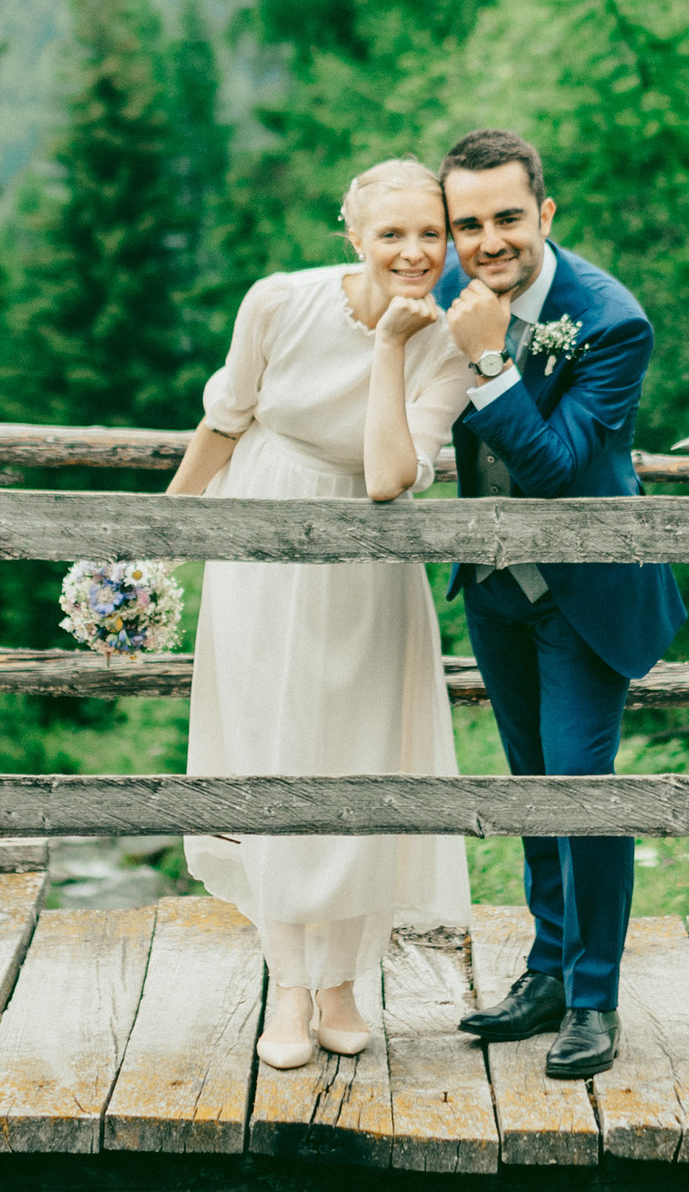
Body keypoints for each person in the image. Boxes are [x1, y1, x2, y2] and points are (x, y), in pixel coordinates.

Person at [169, 160, 471, 1070]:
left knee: (362, 762)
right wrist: (153, 536)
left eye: (431, 235)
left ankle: (346, 982)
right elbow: (224, 424)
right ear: (355, 237)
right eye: (393, 235)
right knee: (276, 756)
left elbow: (388, 479)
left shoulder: (450, 342)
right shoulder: (277, 302)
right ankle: (290, 990)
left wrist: (389, 347)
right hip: (263, 542)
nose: (414, 253)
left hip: (369, 564)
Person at [432, 128, 685, 1082]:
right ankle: (542, 972)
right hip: (496, 588)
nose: (489, 240)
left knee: (584, 792)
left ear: (544, 212)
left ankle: (592, 997)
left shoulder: (610, 321)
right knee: (532, 788)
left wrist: (493, 364)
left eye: (506, 217)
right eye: (469, 223)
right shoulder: (450, 298)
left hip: (586, 590)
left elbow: (551, 465)